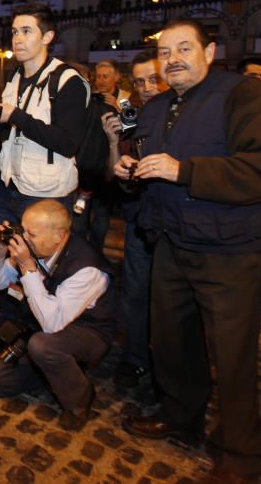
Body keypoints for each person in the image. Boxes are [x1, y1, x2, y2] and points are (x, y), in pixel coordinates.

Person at [115, 19, 261, 481]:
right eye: (164, 52)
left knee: (231, 354)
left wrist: (185, 171)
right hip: (170, 242)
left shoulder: (242, 95)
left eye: (183, 48)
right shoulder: (155, 109)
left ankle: (241, 454)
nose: (171, 59)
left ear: (209, 52)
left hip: (228, 248)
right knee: (172, 342)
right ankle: (181, 417)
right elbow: (149, 173)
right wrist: (129, 174)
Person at [0, 200, 115, 431]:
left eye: (31, 233)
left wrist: (27, 267)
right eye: (23, 229)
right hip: (47, 326)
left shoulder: (86, 267)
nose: (23, 238)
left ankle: (79, 399)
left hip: (88, 332)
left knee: (43, 346)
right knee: (0, 383)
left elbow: (53, 324)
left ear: (59, 235)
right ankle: (55, 372)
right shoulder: (36, 248)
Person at [101, 50, 167, 388]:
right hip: (139, 219)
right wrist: (114, 141)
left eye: (154, 79)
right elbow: (116, 173)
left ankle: (171, 367)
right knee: (135, 293)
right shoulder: (132, 117)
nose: (147, 88)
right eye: (140, 82)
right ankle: (136, 358)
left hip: (176, 224)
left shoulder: (188, 117)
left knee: (172, 300)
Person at [0, 4, 90, 223]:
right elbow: (12, 131)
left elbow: (68, 143)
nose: (17, 39)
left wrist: (16, 116)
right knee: (7, 254)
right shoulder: (14, 76)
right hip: (9, 186)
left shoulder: (68, 81)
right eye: (14, 32)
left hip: (47, 194)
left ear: (47, 37)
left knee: (41, 257)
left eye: (26, 31)